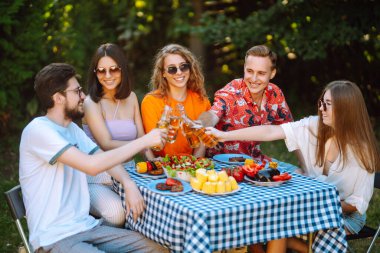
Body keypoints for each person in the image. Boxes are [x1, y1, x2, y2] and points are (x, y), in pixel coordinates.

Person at [207, 80, 379, 253]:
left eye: (328, 105)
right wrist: (223, 136)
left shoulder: (361, 151)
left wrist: (313, 201)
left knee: (278, 225)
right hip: (313, 202)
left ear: (345, 109)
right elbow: (271, 131)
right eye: (321, 102)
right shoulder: (315, 126)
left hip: (345, 215)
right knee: (267, 219)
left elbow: (355, 205)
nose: (321, 109)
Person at [19, 63, 168, 253]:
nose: (83, 96)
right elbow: (92, 166)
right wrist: (143, 141)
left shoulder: (71, 129)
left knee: (157, 249)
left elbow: (103, 158)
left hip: (87, 227)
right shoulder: (38, 130)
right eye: (77, 91)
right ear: (58, 98)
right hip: (55, 237)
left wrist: (128, 183)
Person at [83, 43, 154, 227]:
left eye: (113, 69)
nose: (107, 76)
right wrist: (142, 143)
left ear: (122, 69)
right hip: (99, 178)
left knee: (153, 207)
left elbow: (142, 137)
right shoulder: (91, 103)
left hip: (129, 171)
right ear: (95, 73)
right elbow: (106, 144)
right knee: (117, 214)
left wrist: (154, 163)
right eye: (101, 71)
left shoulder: (130, 97)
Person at [198, 45, 293, 162]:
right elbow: (213, 114)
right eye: (250, 71)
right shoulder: (231, 91)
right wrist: (200, 122)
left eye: (261, 73)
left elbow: (293, 132)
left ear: (272, 73)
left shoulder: (275, 93)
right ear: (244, 68)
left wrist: (305, 169)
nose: (254, 78)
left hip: (254, 160)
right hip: (220, 162)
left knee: (296, 172)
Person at [141, 43, 211, 157]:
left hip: (192, 165)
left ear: (190, 68)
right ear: (163, 73)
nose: (179, 72)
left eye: (183, 66)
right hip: (163, 166)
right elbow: (155, 146)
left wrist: (194, 167)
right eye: (172, 69)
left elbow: (201, 144)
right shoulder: (150, 102)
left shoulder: (202, 101)